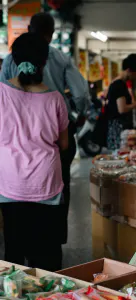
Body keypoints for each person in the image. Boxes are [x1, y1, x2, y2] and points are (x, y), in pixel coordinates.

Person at [1, 12, 90, 245]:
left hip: (10, 178)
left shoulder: (3, 89)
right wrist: (78, 116)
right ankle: (55, 238)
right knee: (48, 241)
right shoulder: (55, 94)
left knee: (14, 245)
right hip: (47, 172)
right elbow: (80, 94)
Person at [0, 33, 68, 270]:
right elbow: (64, 144)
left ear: (14, 60)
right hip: (46, 183)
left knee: (14, 252)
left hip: (10, 185)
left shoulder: (0, 93)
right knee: (47, 253)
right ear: (44, 62)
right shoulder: (56, 99)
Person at [106, 54, 136, 150]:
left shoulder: (118, 83)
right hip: (119, 129)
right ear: (129, 71)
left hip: (117, 127)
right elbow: (122, 109)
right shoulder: (119, 85)